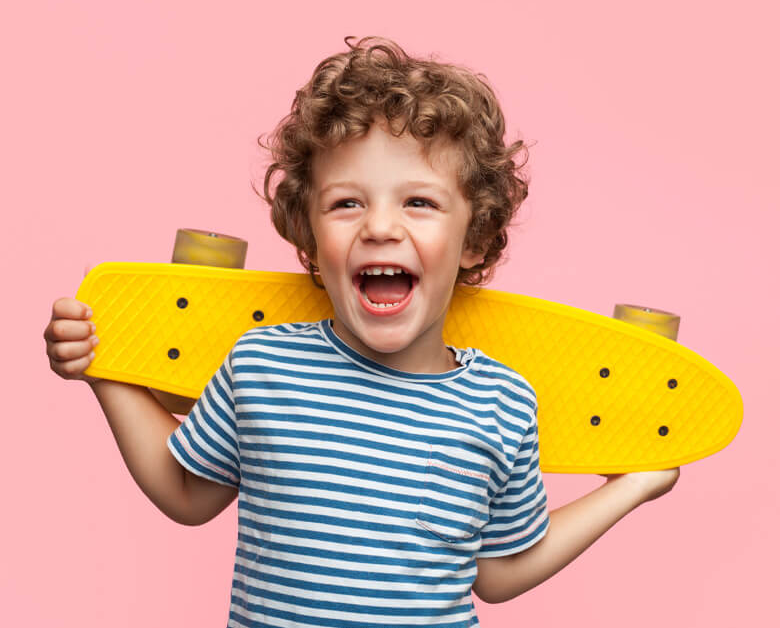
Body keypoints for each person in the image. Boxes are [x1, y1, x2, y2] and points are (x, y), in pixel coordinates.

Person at [43, 35, 679, 627]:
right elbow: (185, 493)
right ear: (310, 239)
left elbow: (499, 572)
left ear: (475, 239)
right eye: (347, 202)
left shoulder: (504, 402)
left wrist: (631, 488)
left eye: (419, 202)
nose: (379, 227)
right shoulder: (262, 365)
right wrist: (102, 365)